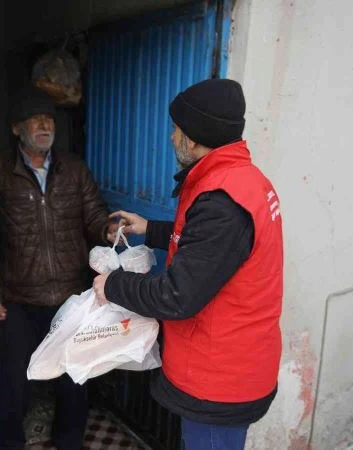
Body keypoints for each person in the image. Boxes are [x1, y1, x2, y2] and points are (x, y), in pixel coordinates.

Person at [92, 79, 283, 450]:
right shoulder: (240, 180)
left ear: (193, 139)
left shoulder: (223, 202)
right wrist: (150, 229)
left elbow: (178, 295)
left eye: (176, 130)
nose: (170, 138)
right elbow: (209, 249)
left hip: (219, 380)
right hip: (230, 365)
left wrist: (111, 285)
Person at [0, 86, 118, 450]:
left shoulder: (73, 169)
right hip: (19, 296)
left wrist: (107, 228)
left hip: (69, 295)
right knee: (15, 380)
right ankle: (11, 443)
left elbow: (94, 214)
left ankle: (69, 443)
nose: (45, 125)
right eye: (35, 120)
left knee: (74, 378)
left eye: (49, 119)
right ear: (17, 128)